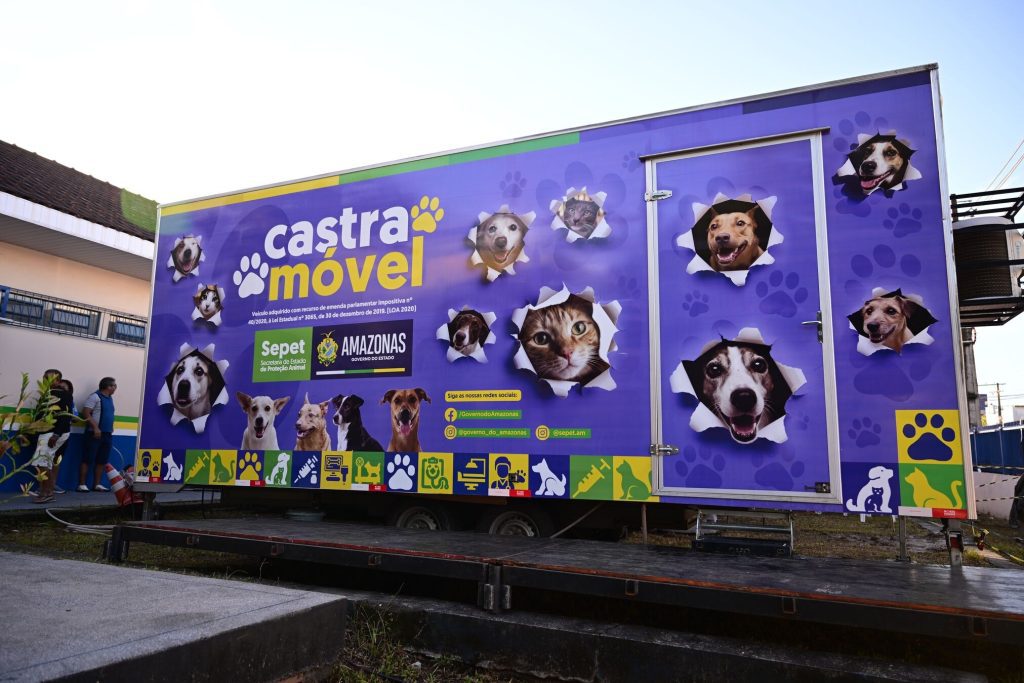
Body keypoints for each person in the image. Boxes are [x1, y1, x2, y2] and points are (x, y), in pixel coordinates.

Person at [30, 377, 74, 504]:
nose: (47, 380)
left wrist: (56, 434)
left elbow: (65, 416)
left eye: (50, 378)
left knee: (41, 462)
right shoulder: (47, 395)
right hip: (47, 433)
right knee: (45, 463)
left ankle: (46, 493)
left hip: (52, 433)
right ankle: (48, 493)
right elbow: (39, 416)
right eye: (45, 377)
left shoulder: (64, 395)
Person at [78, 377, 116, 492]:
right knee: (87, 458)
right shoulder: (95, 397)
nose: (115, 388)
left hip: (107, 434)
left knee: (102, 460)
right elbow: (86, 412)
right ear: (108, 386)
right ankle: (81, 484)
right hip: (94, 433)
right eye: (114, 385)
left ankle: (97, 484)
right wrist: (95, 428)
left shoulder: (110, 398)